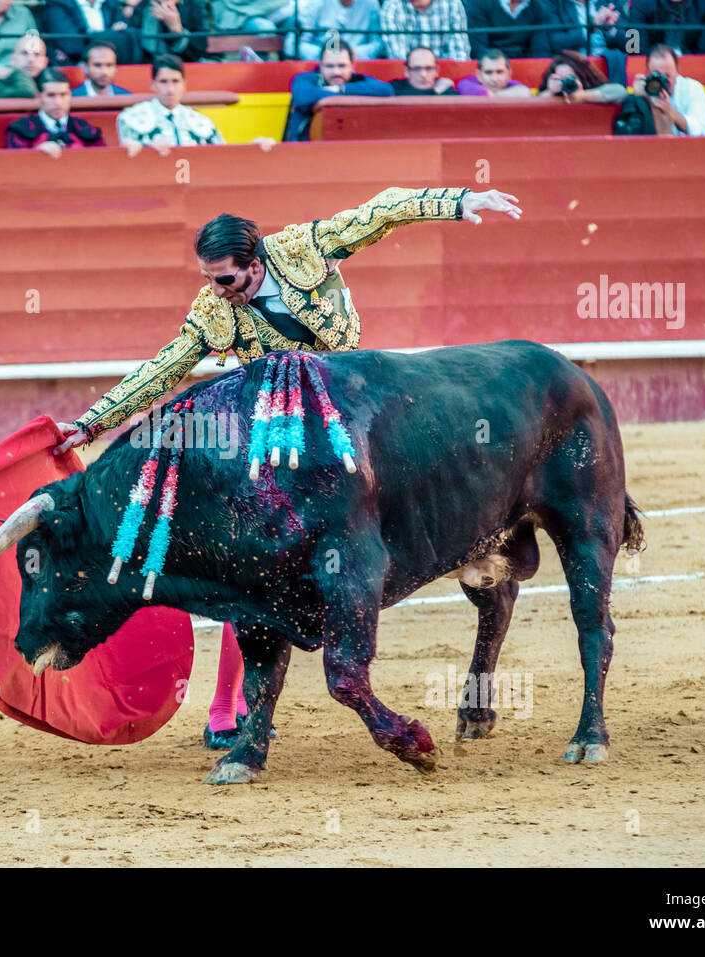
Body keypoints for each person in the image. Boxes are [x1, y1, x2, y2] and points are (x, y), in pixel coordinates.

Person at [50, 185, 523, 749]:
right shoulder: (212, 309)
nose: (216, 292)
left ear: (255, 264)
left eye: (225, 279)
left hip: (351, 395)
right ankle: (229, 708)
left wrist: (460, 202)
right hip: (277, 426)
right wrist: (92, 424)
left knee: (408, 484)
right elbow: (163, 369)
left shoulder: (302, 249)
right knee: (242, 559)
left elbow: (383, 210)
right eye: (207, 279)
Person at [284, 41, 392, 141]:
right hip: (304, 152)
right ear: (320, 65)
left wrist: (339, 89)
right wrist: (351, 95)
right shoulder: (304, 79)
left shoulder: (359, 79)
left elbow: (386, 90)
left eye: (342, 66)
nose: (336, 72)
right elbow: (303, 96)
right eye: (329, 66)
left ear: (352, 65)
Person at [117, 54, 223, 150]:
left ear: (184, 84)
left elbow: (219, 157)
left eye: (175, 81)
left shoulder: (201, 121)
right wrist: (147, 148)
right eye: (163, 82)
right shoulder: (131, 117)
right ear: (153, 84)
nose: (170, 89)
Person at [5, 68, 107, 153]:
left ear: (70, 96)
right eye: (51, 95)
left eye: (63, 95)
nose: (58, 102)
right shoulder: (20, 129)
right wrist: (35, 154)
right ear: (39, 96)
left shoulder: (85, 129)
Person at [634, 43, 705, 135]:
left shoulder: (692, 88)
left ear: (677, 71)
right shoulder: (644, 90)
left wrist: (669, 111)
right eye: (656, 75)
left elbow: (699, 131)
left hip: (687, 147)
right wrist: (639, 99)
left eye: (666, 76)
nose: (661, 81)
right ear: (647, 73)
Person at [41, 0, 134, 65]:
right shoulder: (57, 3)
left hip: (112, 64)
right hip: (73, 67)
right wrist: (110, 34)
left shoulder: (110, 3)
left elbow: (126, 36)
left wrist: (91, 38)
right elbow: (71, 46)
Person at [380, 0, 470, 61]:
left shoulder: (453, 3)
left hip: (447, 77)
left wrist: (448, 79)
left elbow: (460, 54)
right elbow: (398, 58)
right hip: (409, 79)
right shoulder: (392, 6)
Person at [121, 0, 210, 62]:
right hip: (146, 67)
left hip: (180, 69)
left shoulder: (193, 6)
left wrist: (176, 31)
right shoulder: (142, 7)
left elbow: (199, 51)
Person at [297, 0, 384, 61]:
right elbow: (298, 44)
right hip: (319, 65)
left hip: (359, 65)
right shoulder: (315, 3)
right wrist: (323, 54)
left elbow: (379, 43)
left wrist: (356, 53)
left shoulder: (371, 4)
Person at [462, 0, 551, 60]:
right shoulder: (479, 3)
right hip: (490, 69)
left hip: (524, 67)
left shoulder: (539, 7)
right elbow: (478, 48)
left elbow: (540, 51)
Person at [625, 0, 705, 56]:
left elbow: (704, 51)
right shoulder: (640, 3)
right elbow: (635, 50)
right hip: (651, 66)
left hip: (692, 68)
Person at [536, 50, 628, 102]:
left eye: (571, 77)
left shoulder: (591, 90)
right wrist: (550, 92)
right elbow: (532, 105)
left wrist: (583, 96)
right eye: (561, 79)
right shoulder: (550, 92)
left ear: (582, 77)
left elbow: (621, 92)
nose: (566, 83)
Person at [0, 32, 48, 97]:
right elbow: (27, 91)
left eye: (37, 54)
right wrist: (16, 72)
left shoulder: (54, 82)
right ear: (13, 59)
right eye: (24, 53)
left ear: (45, 62)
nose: (31, 59)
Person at [456, 49, 533, 96]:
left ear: (509, 73)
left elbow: (525, 92)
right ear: (478, 75)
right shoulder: (468, 82)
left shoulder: (511, 84)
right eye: (488, 72)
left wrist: (493, 95)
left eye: (500, 72)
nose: (494, 79)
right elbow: (482, 93)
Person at [390, 45, 457, 94]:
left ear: (436, 70)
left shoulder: (446, 91)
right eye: (416, 69)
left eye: (429, 68)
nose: (423, 75)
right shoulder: (394, 89)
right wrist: (436, 91)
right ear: (406, 71)